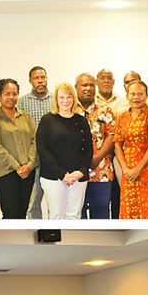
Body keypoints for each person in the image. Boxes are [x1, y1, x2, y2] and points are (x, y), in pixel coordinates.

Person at [114, 80, 148, 219]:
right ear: (127, 96)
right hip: (128, 170)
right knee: (130, 208)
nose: (136, 97)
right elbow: (117, 145)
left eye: (140, 94)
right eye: (132, 94)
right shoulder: (122, 118)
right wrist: (125, 169)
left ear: (146, 96)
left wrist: (138, 169)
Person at [37, 83, 93, 220]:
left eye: (69, 97)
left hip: (78, 178)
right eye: (61, 97)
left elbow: (88, 149)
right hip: (53, 177)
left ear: (74, 99)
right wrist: (62, 174)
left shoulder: (82, 121)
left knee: (74, 215)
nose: (65, 101)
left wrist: (81, 171)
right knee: (56, 215)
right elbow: (42, 149)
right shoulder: (47, 120)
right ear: (56, 99)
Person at [0, 79, 38, 219]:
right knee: (10, 214)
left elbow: (35, 141)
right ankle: (6, 241)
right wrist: (17, 166)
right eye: (7, 93)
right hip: (5, 174)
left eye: (14, 94)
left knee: (22, 214)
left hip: (27, 172)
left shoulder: (26, 117)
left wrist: (30, 165)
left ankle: (20, 241)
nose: (11, 97)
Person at [74, 73, 116, 219]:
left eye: (91, 85)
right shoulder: (70, 111)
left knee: (102, 212)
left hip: (101, 172)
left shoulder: (105, 110)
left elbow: (112, 135)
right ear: (76, 88)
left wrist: (98, 157)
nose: (88, 88)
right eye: (84, 85)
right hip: (75, 173)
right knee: (78, 213)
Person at [17, 66, 53, 219]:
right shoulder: (22, 102)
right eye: (36, 78)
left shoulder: (56, 99)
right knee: (33, 202)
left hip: (53, 157)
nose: (40, 80)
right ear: (30, 81)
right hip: (32, 158)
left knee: (55, 201)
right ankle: (35, 233)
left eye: (43, 77)